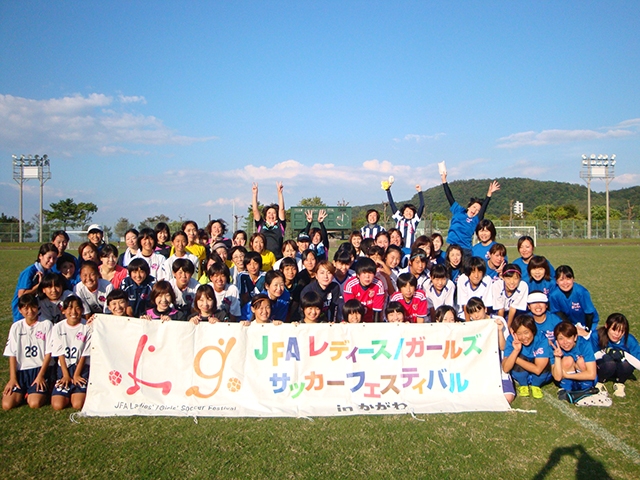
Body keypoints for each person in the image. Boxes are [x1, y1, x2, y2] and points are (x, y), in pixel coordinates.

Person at [3, 294, 53, 410]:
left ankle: (42, 390)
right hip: (21, 372)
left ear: (38, 307)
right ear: (20, 310)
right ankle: (23, 392)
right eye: (25, 308)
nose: (30, 311)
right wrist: (12, 378)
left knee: (34, 403)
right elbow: (12, 354)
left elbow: (48, 354)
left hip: (39, 369)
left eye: (33, 307)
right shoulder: (16, 327)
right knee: (7, 405)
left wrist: (40, 375)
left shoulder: (46, 324)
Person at [440, 170, 500, 256]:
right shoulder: (458, 211)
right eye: (474, 207)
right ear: (469, 206)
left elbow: (484, 208)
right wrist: (444, 180)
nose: (475, 210)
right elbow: (449, 196)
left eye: (478, 210)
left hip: (465, 250)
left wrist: (489, 194)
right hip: (452, 247)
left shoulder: (475, 220)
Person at [466, 297, 515, 404]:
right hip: (480, 366)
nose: (476, 315)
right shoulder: (470, 326)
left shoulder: (498, 320)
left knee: (507, 398)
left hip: (499, 366)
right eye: (472, 313)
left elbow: (503, 347)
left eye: (478, 311)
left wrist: (500, 331)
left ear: (485, 309)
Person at [49, 295, 91, 410]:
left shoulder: (87, 327)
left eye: (77, 308)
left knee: (77, 404)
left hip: (81, 369)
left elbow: (84, 354)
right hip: (64, 368)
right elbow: (60, 354)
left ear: (82, 310)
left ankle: (79, 390)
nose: (73, 311)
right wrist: (66, 375)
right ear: (63, 310)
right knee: (58, 405)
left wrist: (77, 374)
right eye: (70, 308)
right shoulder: (58, 327)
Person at [502, 314, 553, 399]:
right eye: (519, 333)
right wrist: (516, 351)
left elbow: (538, 370)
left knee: (545, 363)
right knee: (516, 358)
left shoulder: (542, 339)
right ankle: (523, 384)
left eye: (526, 333)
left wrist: (515, 359)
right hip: (522, 371)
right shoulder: (511, 339)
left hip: (539, 374)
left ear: (533, 331)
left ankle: (536, 385)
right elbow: (506, 368)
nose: (523, 337)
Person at [591, 313, 640, 398]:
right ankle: (600, 381)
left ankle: (620, 383)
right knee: (609, 362)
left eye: (621, 331)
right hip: (602, 367)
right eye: (614, 330)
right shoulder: (596, 336)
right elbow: (589, 357)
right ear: (607, 326)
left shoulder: (630, 340)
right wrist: (605, 352)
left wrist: (624, 354)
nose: (617, 334)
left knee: (627, 364)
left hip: (620, 369)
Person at [12, 243, 58, 321]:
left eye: (54, 258)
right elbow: (22, 295)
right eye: (49, 257)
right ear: (40, 256)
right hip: (23, 312)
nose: (51, 261)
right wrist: (39, 285)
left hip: (36, 310)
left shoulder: (48, 271)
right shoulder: (30, 271)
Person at [550, 321, 597, 394]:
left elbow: (592, 374)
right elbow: (557, 377)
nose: (565, 342)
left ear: (575, 337)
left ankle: (585, 387)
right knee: (567, 360)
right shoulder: (554, 348)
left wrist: (567, 375)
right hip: (567, 378)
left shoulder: (584, 344)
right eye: (561, 339)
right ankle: (568, 387)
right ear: (557, 340)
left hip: (582, 377)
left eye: (568, 337)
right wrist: (557, 357)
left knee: (581, 361)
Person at [549, 265, 599, 332]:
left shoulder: (582, 292)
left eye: (568, 279)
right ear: (556, 281)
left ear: (573, 279)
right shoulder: (553, 295)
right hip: (570, 323)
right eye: (561, 280)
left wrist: (587, 330)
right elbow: (557, 312)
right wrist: (571, 327)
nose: (565, 283)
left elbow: (589, 313)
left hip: (587, 323)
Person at [343, 258, 386, 323]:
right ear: (358, 274)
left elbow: (377, 311)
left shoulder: (379, 285)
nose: (367, 276)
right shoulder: (350, 285)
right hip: (354, 320)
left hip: (370, 322)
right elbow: (350, 310)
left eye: (370, 273)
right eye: (364, 273)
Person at [384, 183, 424, 250]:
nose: (409, 213)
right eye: (407, 211)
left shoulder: (414, 221)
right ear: (403, 213)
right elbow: (391, 204)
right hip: (398, 248)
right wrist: (388, 190)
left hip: (410, 249)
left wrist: (420, 192)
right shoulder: (399, 218)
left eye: (411, 211)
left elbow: (422, 205)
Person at [252, 182, 287, 259]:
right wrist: (255, 194)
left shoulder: (280, 224)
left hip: (277, 258)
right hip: (263, 257)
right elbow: (255, 210)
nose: (271, 215)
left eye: (274, 213)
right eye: (269, 213)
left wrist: (280, 193)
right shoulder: (261, 224)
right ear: (265, 215)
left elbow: (281, 209)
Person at [456, 256, 494, 321]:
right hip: (464, 316)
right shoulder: (462, 279)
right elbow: (465, 305)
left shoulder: (487, 280)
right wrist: (468, 325)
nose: (476, 275)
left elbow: (486, 306)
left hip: (481, 316)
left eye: (479, 272)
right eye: (473, 272)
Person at [238, 251, 266, 320]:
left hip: (261, 307)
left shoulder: (265, 276)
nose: (253, 267)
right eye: (249, 264)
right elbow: (242, 295)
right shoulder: (242, 276)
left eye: (255, 263)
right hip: (246, 308)